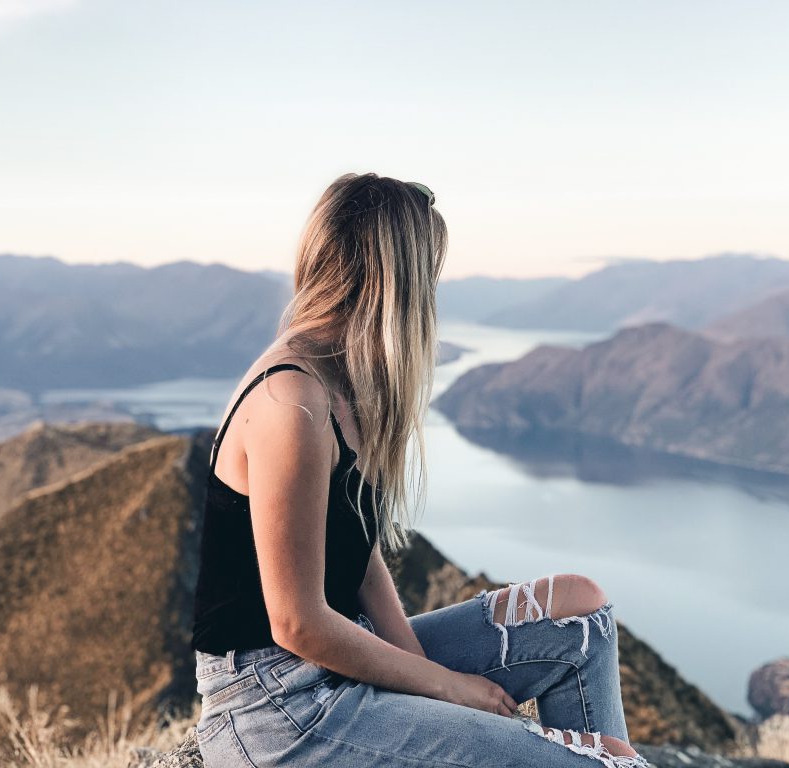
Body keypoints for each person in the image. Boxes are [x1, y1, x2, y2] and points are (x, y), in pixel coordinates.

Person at [190, 172, 649, 768]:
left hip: (340, 659)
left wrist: (421, 672)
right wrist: (449, 688)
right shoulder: (291, 405)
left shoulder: (343, 382)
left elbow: (356, 556)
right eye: (427, 277)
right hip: (278, 710)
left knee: (582, 612)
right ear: (393, 282)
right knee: (606, 761)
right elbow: (297, 624)